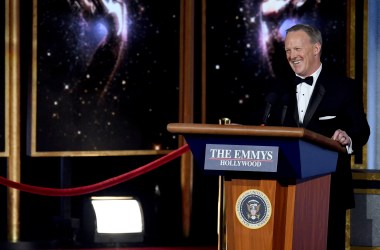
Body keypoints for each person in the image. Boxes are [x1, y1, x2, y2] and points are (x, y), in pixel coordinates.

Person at [263, 23, 370, 249]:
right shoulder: (278, 89)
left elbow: (361, 129)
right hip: (282, 190)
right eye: (288, 51)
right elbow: (265, 129)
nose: (292, 56)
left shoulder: (343, 87)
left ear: (315, 48)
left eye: (297, 49)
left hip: (329, 192)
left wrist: (347, 137)